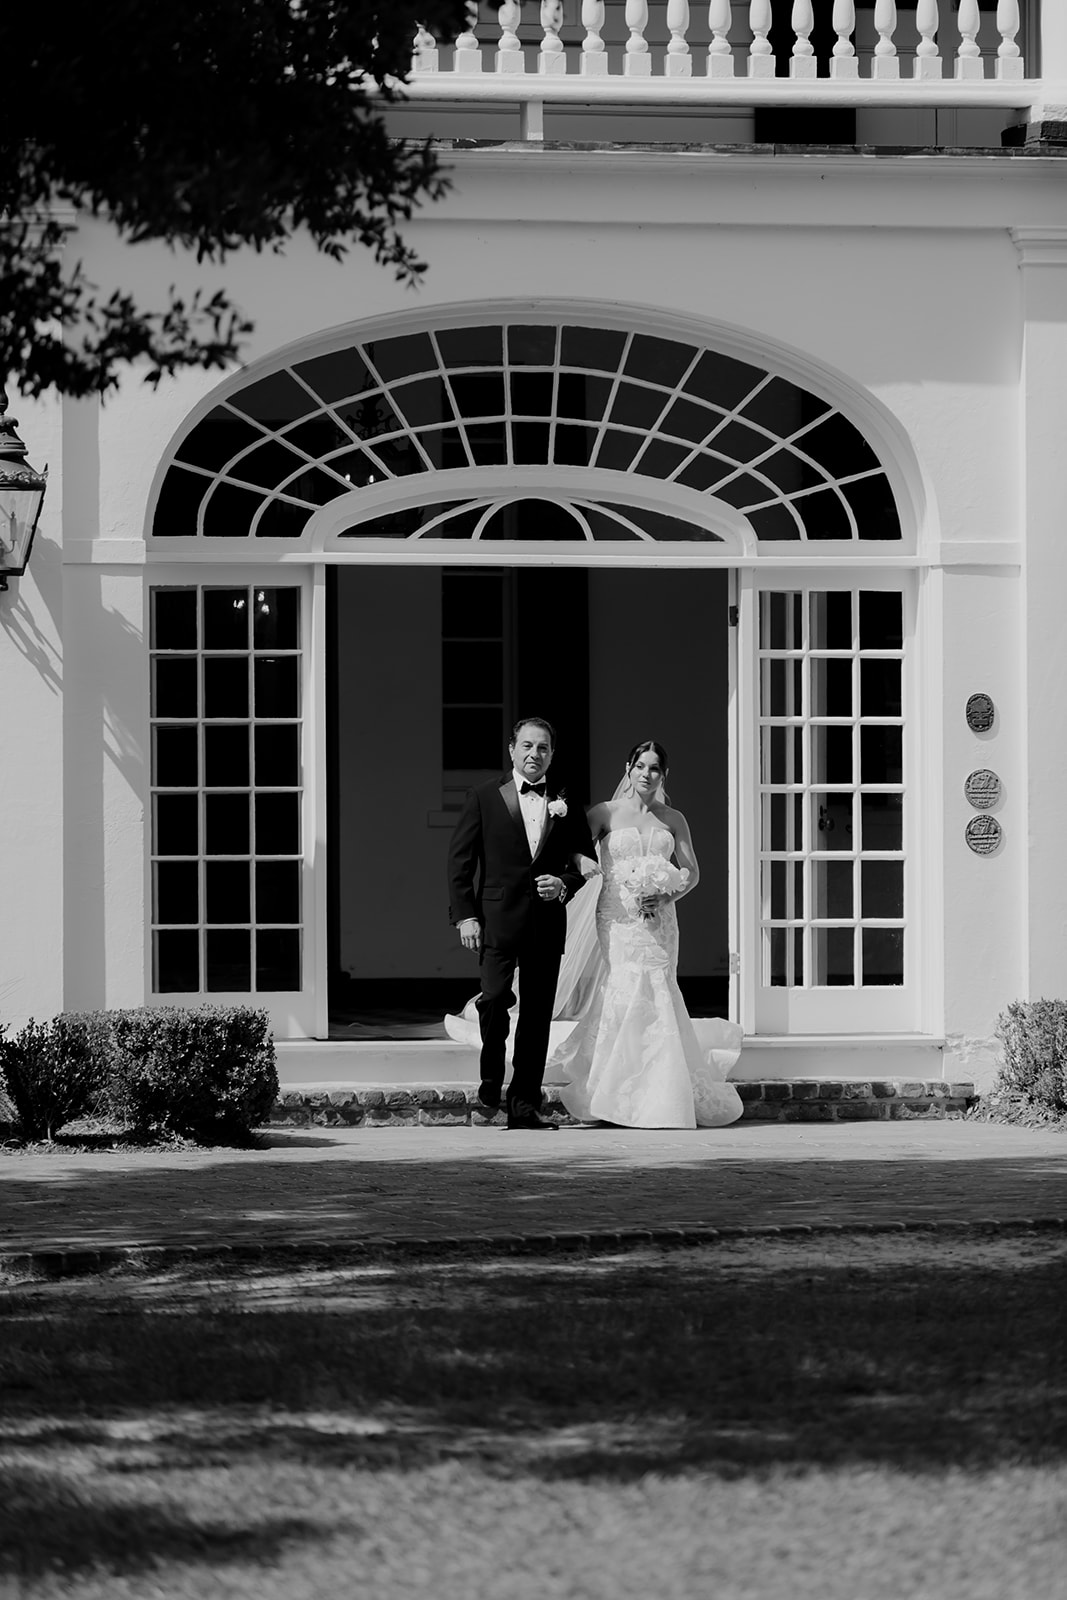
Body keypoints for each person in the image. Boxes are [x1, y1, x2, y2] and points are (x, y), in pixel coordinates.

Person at [548, 740, 744, 1130]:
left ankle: (662, 1091)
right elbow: (570, 851)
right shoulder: (604, 813)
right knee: (624, 987)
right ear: (628, 768)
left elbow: (692, 872)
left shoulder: (674, 819)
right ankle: (612, 1089)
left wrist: (665, 894)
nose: (647, 774)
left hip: (659, 920)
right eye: (640, 766)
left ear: (663, 775)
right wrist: (583, 859)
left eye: (655, 768)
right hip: (616, 918)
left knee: (659, 987)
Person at [447, 717, 596, 1130]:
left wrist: (563, 883)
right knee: (493, 999)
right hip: (495, 919)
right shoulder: (482, 796)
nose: (535, 755)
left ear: (552, 754)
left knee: (537, 1016)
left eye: (543, 748)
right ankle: (491, 1074)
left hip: (546, 922)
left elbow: (583, 859)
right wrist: (465, 916)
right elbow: (460, 863)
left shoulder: (565, 798)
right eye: (528, 746)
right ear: (512, 748)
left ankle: (524, 1106)